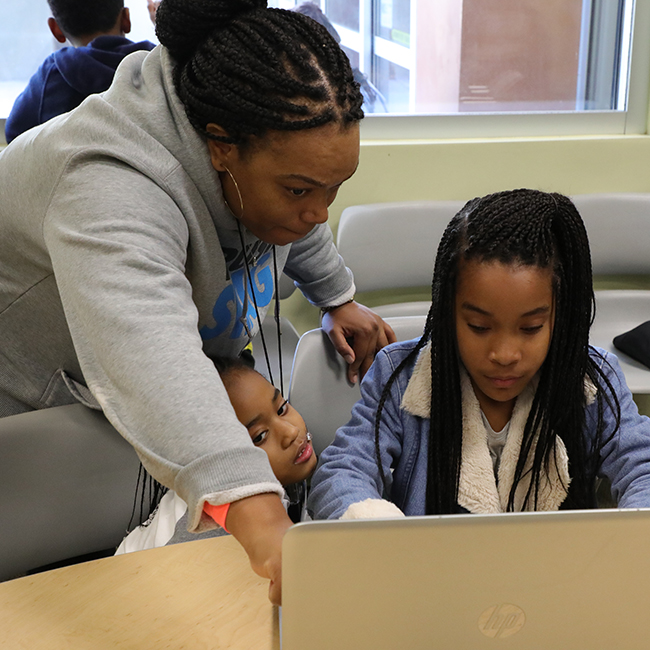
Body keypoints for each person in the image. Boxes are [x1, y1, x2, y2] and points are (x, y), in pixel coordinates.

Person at [0, 0, 395, 604]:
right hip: (31, 404)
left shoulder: (249, 127)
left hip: (134, 402)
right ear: (220, 148)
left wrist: (337, 297)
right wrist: (268, 528)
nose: (318, 211)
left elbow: (300, 209)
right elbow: (150, 360)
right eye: (299, 190)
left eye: (334, 190)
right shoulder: (105, 180)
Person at [309, 188, 650, 521]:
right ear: (447, 312)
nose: (503, 355)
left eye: (530, 328)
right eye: (478, 326)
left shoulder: (591, 379)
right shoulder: (399, 377)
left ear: (560, 318)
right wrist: (376, 526)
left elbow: (642, 465)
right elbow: (342, 472)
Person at [117, 356, 316, 553]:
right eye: (260, 437)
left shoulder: (285, 471)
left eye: (281, 409)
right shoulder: (214, 524)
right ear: (217, 460)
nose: (290, 432)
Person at [4, 0, 156, 143]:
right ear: (126, 20)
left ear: (56, 30)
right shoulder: (154, 64)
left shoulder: (52, 74)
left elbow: (14, 134)